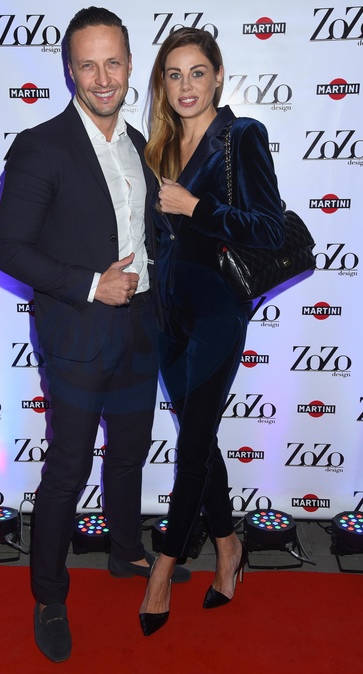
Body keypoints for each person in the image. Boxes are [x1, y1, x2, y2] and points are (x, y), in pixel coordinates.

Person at [0, 6, 189, 663]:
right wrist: (88, 284)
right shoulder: (40, 146)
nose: (102, 78)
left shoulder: (140, 144)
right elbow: (10, 252)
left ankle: (125, 550)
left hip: (140, 329)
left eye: (113, 63)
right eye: (88, 65)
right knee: (68, 467)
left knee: (130, 452)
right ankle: (49, 595)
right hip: (77, 331)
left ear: (130, 66)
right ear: (70, 71)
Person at [138, 27, 285, 636]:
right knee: (200, 440)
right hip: (168, 314)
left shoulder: (241, 136)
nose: (186, 86)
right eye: (174, 75)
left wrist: (195, 206)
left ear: (219, 76)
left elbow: (271, 229)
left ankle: (164, 568)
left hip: (219, 313)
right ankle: (228, 547)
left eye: (197, 72)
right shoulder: (159, 147)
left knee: (193, 443)